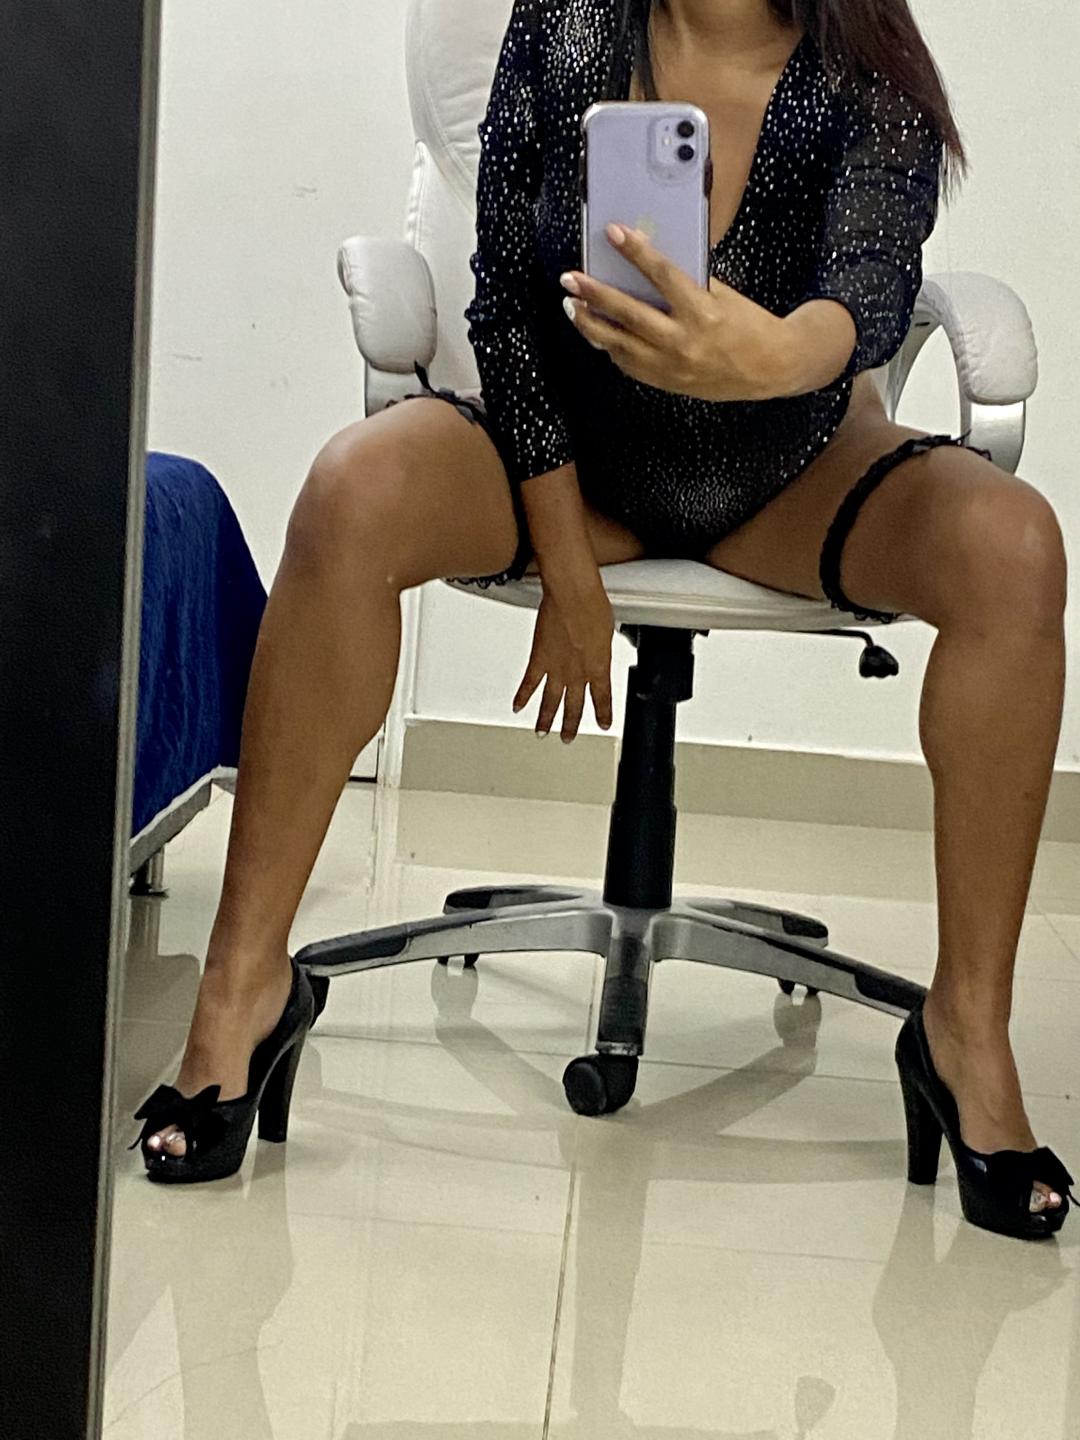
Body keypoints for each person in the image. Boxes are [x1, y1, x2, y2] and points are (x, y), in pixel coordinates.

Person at [133, 0, 1073, 1239]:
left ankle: (966, 1034)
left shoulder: (865, 64)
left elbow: (871, 287)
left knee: (1015, 545)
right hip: (572, 468)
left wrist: (771, 356)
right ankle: (243, 991)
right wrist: (567, 563)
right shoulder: (569, 22)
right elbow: (506, 309)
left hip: (788, 475)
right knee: (352, 490)